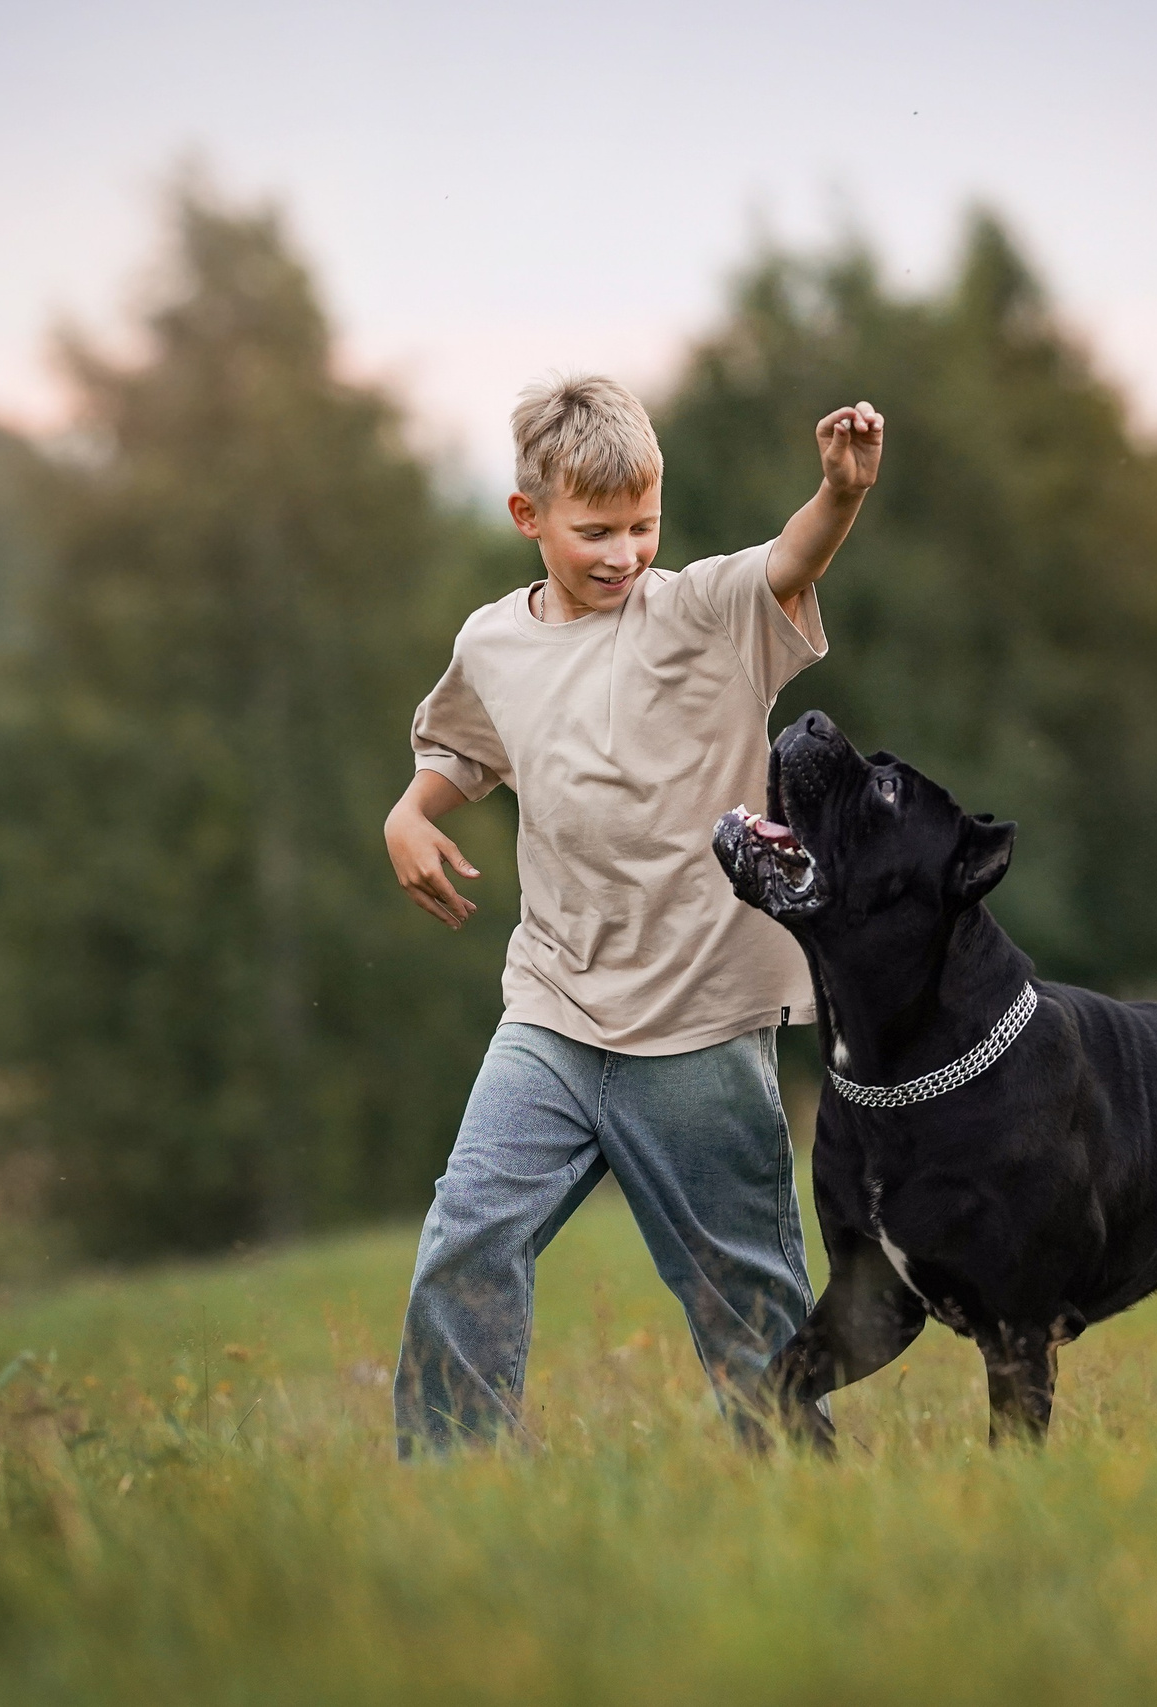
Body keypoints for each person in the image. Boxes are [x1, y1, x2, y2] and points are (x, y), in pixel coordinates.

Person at [383, 373, 884, 1453]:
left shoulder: (704, 612)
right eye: (596, 531)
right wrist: (410, 813)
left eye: (642, 525)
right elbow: (461, 749)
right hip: (553, 1008)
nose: (624, 554)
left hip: (699, 1019)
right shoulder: (493, 643)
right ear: (528, 516)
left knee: (749, 1309)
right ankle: (454, 1490)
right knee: (465, 1238)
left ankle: (803, 1496)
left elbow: (791, 559)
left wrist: (839, 494)